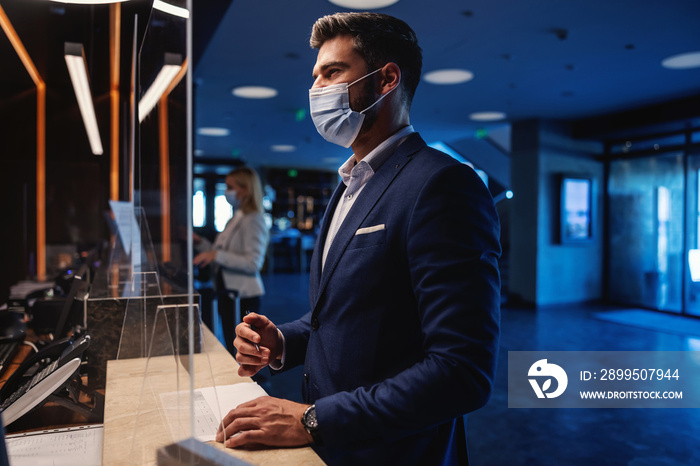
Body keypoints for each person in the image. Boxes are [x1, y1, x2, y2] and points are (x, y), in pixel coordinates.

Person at [218, 12, 501, 465]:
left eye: (332, 72)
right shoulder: (350, 187)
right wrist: (283, 341)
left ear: (387, 79)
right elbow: (348, 313)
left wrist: (313, 420)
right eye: (315, 76)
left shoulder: (443, 184)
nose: (316, 90)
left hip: (396, 452)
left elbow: (461, 371)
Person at [193, 166, 269, 355]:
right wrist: (198, 242)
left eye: (230, 186)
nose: (226, 192)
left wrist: (216, 256)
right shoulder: (237, 216)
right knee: (232, 345)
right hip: (228, 292)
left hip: (243, 296)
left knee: (246, 351)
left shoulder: (253, 220)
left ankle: (254, 383)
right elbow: (218, 253)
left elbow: (253, 263)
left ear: (245, 190)